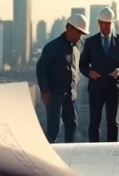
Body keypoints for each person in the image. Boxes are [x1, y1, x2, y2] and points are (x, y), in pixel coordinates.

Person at [78, 7, 119, 142]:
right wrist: (89, 72)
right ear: (98, 22)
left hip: (114, 88)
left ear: (112, 23)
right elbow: (82, 65)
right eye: (101, 23)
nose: (104, 26)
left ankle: (114, 150)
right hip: (96, 88)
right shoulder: (90, 42)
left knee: (113, 122)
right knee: (94, 122)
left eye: (107, 23)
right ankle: (94, 150)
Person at [36, 13, 89, 143]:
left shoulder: (77, 47)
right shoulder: (53, 47)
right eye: (78, 32)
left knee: (72, 124)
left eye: (82, 33)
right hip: (54, 93)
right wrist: (44, 91)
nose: (80, 36)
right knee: (54, 127)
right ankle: (49, 152)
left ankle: (69, 149)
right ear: (69, 28)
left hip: (70, 93)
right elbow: (41, 68)